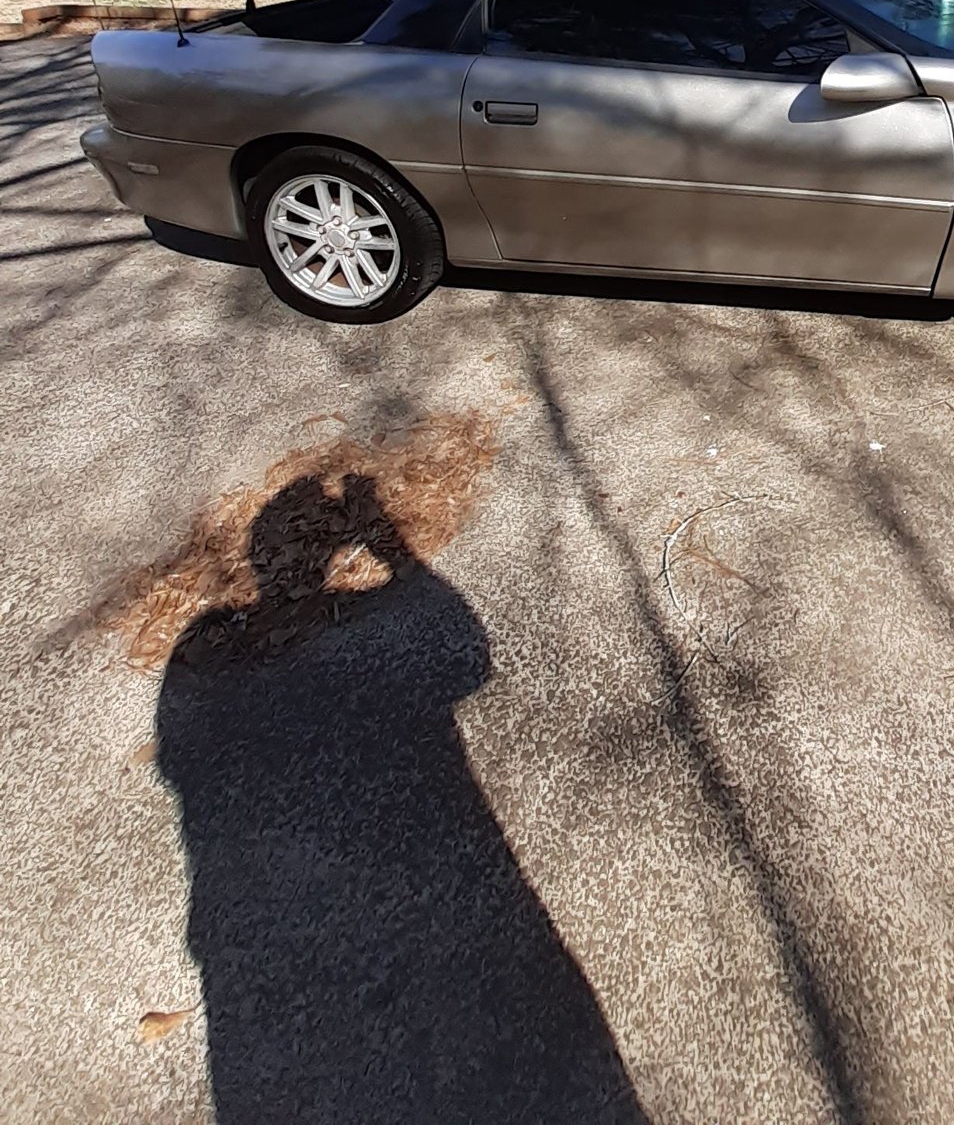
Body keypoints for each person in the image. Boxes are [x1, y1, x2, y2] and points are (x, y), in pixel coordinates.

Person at [156, 473, 644, 1125]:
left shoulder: (199, 647)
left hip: (264, 979)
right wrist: (390, 546)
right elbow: (469, 660)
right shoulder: (210, 645)